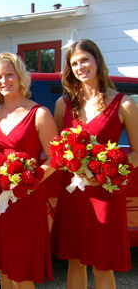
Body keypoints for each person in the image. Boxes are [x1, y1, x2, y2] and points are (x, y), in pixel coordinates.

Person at [51, 39, 138, 289]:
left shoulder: (124, 103)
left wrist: (104, 171)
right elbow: (57, 151)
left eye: (85, 60)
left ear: (97, 61)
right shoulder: (64, 104)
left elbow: (137, 152)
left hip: (105, 194)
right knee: (75, 262)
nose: (80, 67)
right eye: (74, 63)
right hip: (74, 194)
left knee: (103, 264)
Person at [0, 52, 57, 289]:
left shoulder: (40, 113)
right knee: (4, 266)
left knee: (22, 271)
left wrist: (27, 181)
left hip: (27, 200)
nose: (4, 81)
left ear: (20, 76)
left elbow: (56, 159)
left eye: (9, 75)